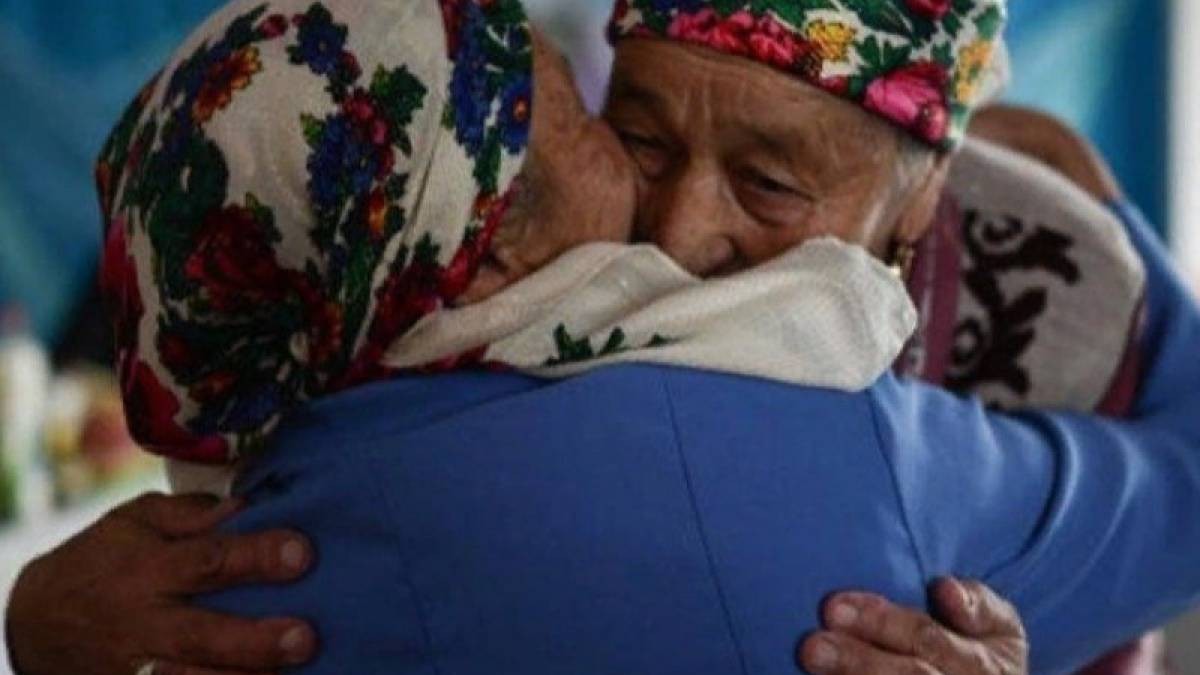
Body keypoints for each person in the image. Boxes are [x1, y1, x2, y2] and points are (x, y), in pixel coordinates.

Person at [7, 1, 1200, 675]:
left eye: (770, 183)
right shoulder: (842, 442)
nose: (676, 233)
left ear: (924, 197)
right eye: (631, 134)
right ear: (473, 244)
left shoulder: (258, 521)